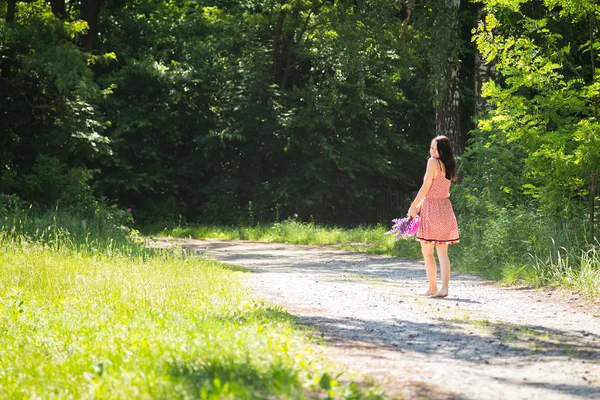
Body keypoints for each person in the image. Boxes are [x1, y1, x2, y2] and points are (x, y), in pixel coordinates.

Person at [408, 135, 460, 298]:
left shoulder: (432, 163)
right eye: (430, 147)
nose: (431, 151)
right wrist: (418, 206)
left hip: (431, 209)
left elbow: (425, 188)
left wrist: (413, 206)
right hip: (445, 208)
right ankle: (444, 288)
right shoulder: (448, 165)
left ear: (441, 150)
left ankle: (433, 287)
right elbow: (437, 191)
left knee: (427, 252)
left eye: (435, 148)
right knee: (442, 252)